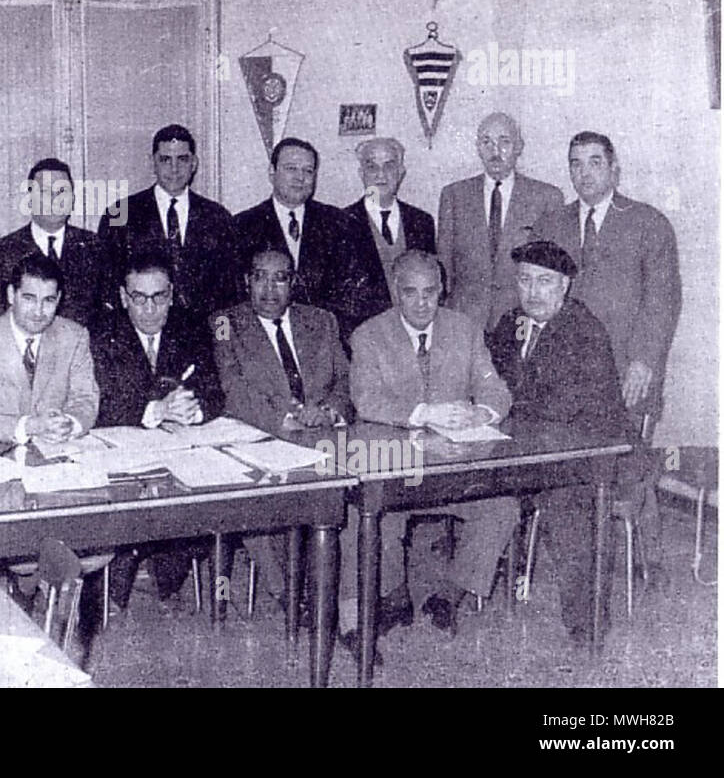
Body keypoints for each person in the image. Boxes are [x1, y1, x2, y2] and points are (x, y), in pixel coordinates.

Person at [534, 130, 682, 578]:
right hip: (568, 376)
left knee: (627, 458)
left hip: (628, 371)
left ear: (614, 168)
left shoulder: (647, 222)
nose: (584, 173)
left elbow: (664, 300)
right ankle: (577, 554)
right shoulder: (552, 224)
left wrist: (644, 361)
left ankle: (648, 556)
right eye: (575, 163)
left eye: (595, 162)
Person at [347, 249, 515, 641]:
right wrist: (425, 413)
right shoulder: (369, 336)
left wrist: (483, 414)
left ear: (442, 289)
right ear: (395, 292)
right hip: (396, 467)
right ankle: (395, 596)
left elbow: (497, 391)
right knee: (376, 517)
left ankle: (449, 593)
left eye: (430, 292)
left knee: (501, 508)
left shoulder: (465, 329)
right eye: (411, 293)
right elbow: (366, 401)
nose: (422, 303)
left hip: (455, 468)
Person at [486, 240, 627, 644]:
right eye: (525, 280)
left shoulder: (584, 330)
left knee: (566, 509)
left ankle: (588, 626)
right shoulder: (511, 322)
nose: (533, 292)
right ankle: (455, 592)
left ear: (565, 286)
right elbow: (488, 378)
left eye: (544, 282)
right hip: (524, 449)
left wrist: (499, 407)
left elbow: (561, 407)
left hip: (587, 456)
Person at [211, 246, 351, 609]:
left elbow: (346, 381)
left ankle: (343, 596)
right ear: (247, 280)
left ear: (293, 283)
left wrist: (329, 411)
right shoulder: (226, 323)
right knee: (252, 503)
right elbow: (233, 389)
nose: (269, 289)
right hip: (262, 438)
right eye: (259, 276)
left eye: (280, 278)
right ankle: (290, 596)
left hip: (324, 437)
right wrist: (286, 420)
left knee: (350, 495)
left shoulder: (321, 321)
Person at [90, 247, 224, 607]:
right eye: (138, 298)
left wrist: (194, 409)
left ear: (172, 294)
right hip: (122, 457)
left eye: (159, 297)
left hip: (180, 452)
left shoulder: (191, 327)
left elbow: (214, 389)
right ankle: (131, 554)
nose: (149, 309)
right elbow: (99, 404)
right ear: (123, 297)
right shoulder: (102, 334)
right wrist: (156, 409)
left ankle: (165, 564)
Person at [232, 137, 372, 340]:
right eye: (291, 169)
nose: (300, 178)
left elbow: (353, 293)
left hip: (326, 342)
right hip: (263, 344)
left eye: (308, 171)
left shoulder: (339, 223)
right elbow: (233, 300)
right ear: (272, 172)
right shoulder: (242, 226)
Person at [0, 251, 99, 444]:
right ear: (11, 295)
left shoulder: (74, 336)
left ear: (59, 298)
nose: (39, 311)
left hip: (60, 449)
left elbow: (85, 398)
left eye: (48, 300)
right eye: (29, 298)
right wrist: (32, 426)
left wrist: (68, 424)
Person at [98, 124, 240, 321]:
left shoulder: (218, 217)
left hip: (204, 339)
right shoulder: (119, 214)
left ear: (194, 164)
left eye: (182, 159)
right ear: (152, 163)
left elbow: (230, 296)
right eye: (165, 160)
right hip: (140, 335)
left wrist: (222, 343)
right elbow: (107, 289)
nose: (174, 169)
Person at [437, 112, 564, 331]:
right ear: (477, 147)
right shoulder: (454, 195)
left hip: (521, 320)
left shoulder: (546, 198)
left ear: (519, 147)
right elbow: (444, 267)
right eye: (487, 142)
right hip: (465, 321)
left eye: (504, 142)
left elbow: (553, 272)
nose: (495, 151)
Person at [0, 157, 110, 327]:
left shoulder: (96, 248)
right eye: (45, 192)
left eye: (62, 191)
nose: (55, 199)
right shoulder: (1, 253)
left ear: (73, 199)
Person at [341, 137, 435, 324]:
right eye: (372, 167)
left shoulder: (422, 222)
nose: (380, 174)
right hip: (364, 335)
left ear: (401, 172)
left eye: (389, 166)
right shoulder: (340, 223)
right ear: (362, 173)